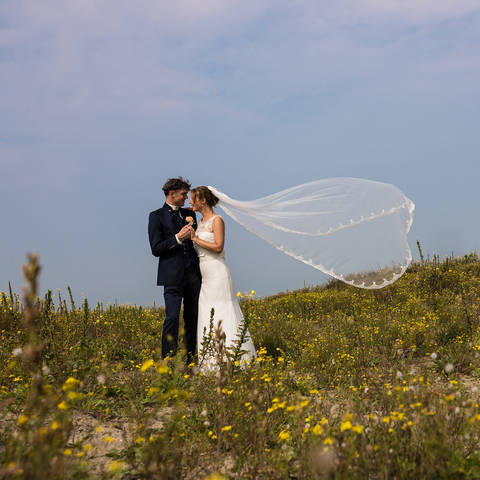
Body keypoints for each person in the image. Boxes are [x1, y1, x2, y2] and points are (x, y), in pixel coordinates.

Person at [189, 186, 256, 370]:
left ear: (202, 201)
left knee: (223, 311)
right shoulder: (200, 222)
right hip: (205, 276)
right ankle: (211, 363)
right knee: (207, 313)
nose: (190, 202)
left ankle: (234, 360)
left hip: (218, 272)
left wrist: (195, 239)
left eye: (192, 199)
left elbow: (218, 246)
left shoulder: (217, 220)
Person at [148, 177, 201, 364]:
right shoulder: (155, 216)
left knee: (192, 318)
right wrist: (177, 238)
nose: (187, 198)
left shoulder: (190, 214)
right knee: (171, 317)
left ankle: (191, 360)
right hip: (171, 276)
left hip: (194, 275)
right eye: (183, 194)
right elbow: (156, 249)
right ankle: (168, 362)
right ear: (172, 193)